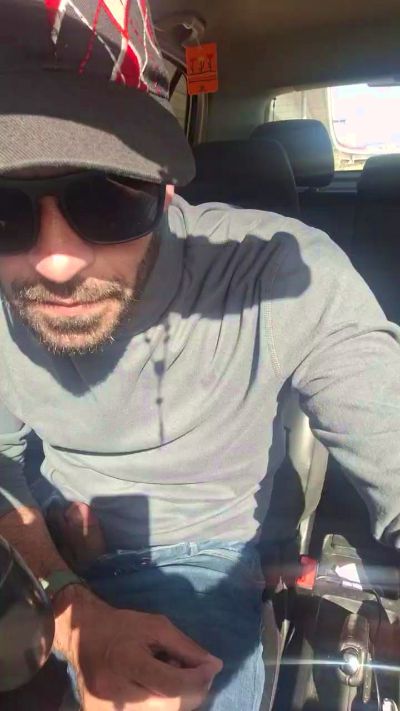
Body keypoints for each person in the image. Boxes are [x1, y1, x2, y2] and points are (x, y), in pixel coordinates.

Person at [0, 1, 400, 710]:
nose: (57, 262)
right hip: (36, 538)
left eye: (106, 200)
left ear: (164, 187)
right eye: (4, 209)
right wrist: (64, 595)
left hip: (199, 557)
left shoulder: (275, 271)